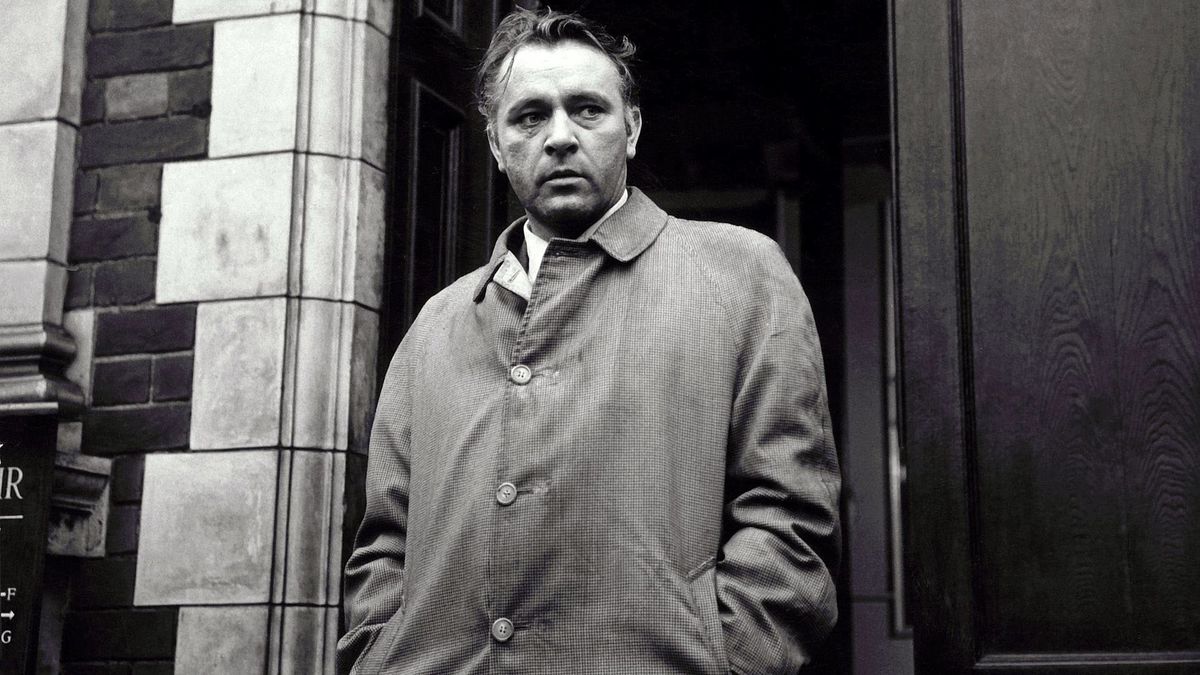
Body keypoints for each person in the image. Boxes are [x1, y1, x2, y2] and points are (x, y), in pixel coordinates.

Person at [339, 8, 840, 675]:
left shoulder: (740, 276)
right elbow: (385, 539)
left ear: (631, 129)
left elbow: (791, 521)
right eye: (529, 117)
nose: (559, 137)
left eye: (587, 110)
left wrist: (727, 662)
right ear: (495, 146)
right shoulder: (438, 321)